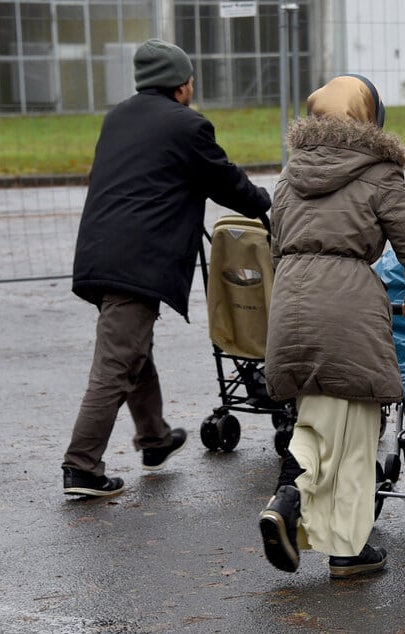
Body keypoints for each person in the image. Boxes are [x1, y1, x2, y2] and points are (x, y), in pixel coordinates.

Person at [62, 39, 272, 497]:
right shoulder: (187, 125)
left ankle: (154, 439)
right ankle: (81, 466)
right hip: (136, 261)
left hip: (101, 254)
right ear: (181, 84)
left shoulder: (118, 117)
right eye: (191, 80)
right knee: (116, 363)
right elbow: (224, 181)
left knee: (132, 349)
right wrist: (263, 203)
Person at [257, 74, 405, 579]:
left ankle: (289, 495)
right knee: (357, 432)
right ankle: (346, 550)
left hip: (291, 304)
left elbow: (275, 247)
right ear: (369, 119)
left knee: (312, 418)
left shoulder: (289, 177)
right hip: (349, 308)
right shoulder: (379, 174)